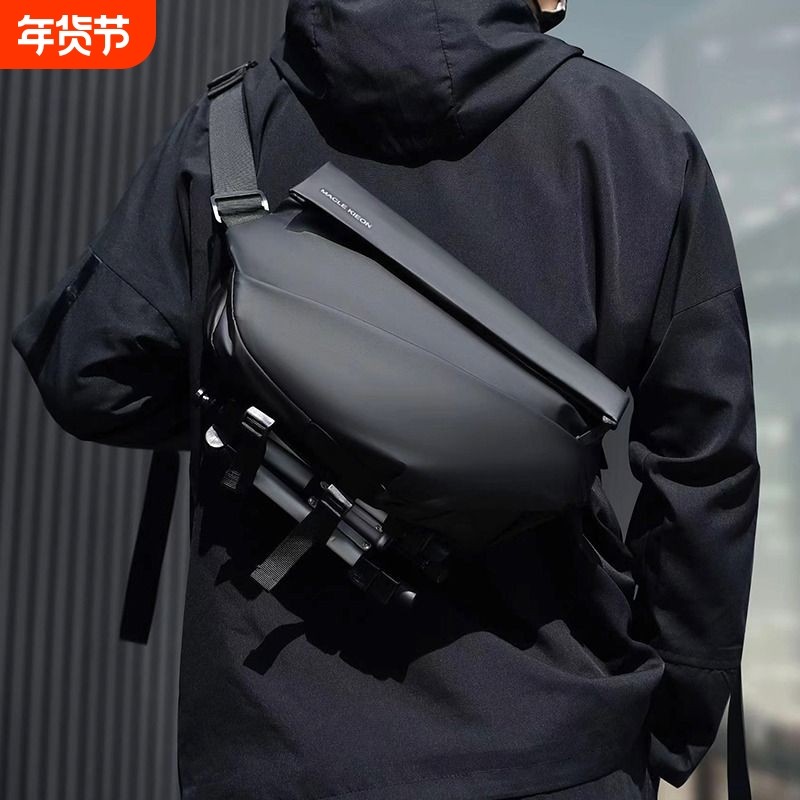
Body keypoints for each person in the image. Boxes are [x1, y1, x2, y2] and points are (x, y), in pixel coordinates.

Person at [12, 1, 760, 798]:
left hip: (277, 746)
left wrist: (279, 425)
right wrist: (672, 715)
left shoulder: (234, 122)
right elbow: (704, 464)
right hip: (558, 741)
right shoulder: (637, 141)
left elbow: (88, 372)